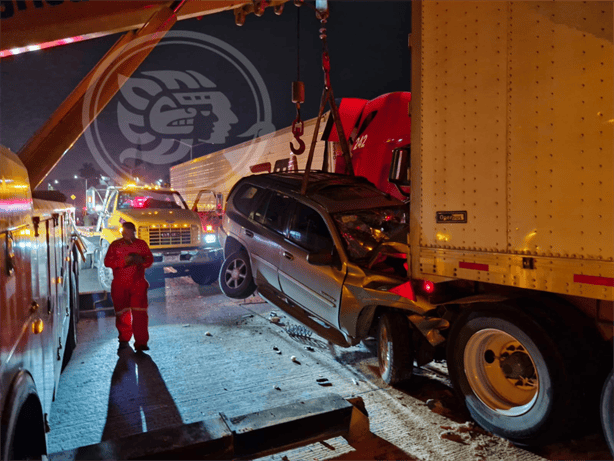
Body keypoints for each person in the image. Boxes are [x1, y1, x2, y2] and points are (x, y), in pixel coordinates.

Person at [104, 221, 154, 353]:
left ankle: (141, 343)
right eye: (124, 232)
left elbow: (149, 260)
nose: (126, 235)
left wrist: (141, 261)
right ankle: (124, 339)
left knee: (140, 314)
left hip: (138, 284)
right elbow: (107, 262)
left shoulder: (141, 245)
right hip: (120, 285)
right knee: (122, 314)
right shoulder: (115, 245)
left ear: (134, 232)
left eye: (129, 232)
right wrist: (123, 262)